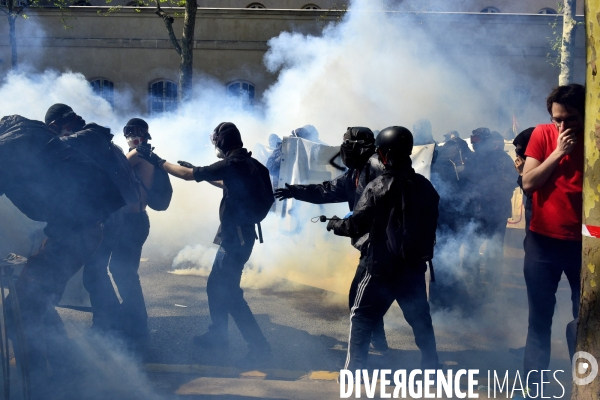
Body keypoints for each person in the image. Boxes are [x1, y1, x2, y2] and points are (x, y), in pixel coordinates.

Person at [0, 112, 124, 395]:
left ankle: (38, 385)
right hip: (74, 233)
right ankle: (66, 370)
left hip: (75, 235)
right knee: (35, 304)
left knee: (18, 311)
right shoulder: (28, 135)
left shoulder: (11, 144)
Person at [136, 122, 273, 365]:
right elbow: (225, 182)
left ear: (222, 143)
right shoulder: (251, 165)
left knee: (230, 294)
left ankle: (259, 346)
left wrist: (158, 162)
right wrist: (200, 173)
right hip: (241, 236)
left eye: (216, 142)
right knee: (215, 286)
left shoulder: (232, 163)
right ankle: (218, 335)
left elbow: (188, 176)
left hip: (235, 239)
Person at [326, 126, 440, 371]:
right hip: (413, 269)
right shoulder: (426, 187)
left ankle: (353, 372)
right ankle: (432, 367)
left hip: (379, 268)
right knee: (420, 320)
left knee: (361, 316)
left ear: (385, 154)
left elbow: (356, 225)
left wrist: (335, 224)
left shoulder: (378, 186)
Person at [274, 127, 389, 353]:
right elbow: (326, 190)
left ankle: (365, 357)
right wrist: (295, 191)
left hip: (381, 248)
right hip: (375, 247)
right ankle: (387, 347)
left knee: (361, 300)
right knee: (379, 302)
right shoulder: (357, 172)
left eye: (346, 144)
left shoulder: (377, 170)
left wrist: (344, 224)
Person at [45, 105, 143, 336]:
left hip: (106, 217)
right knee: (97, 272)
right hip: (114, 215)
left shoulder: (83, 139)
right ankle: (113, 321)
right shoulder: (97, 139)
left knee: (95, 273)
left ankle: (111, 323)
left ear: (56, 125)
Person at [521, 84, 585, 384]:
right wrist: (559, 152)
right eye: (556, 119)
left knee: (586, 320)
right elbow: (529, 183)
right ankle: (533, 385)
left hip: (585, 245)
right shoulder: (542, 135)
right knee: (539, 320)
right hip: (542, 242)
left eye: (570, 119)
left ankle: (584, 383)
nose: (562, 125)